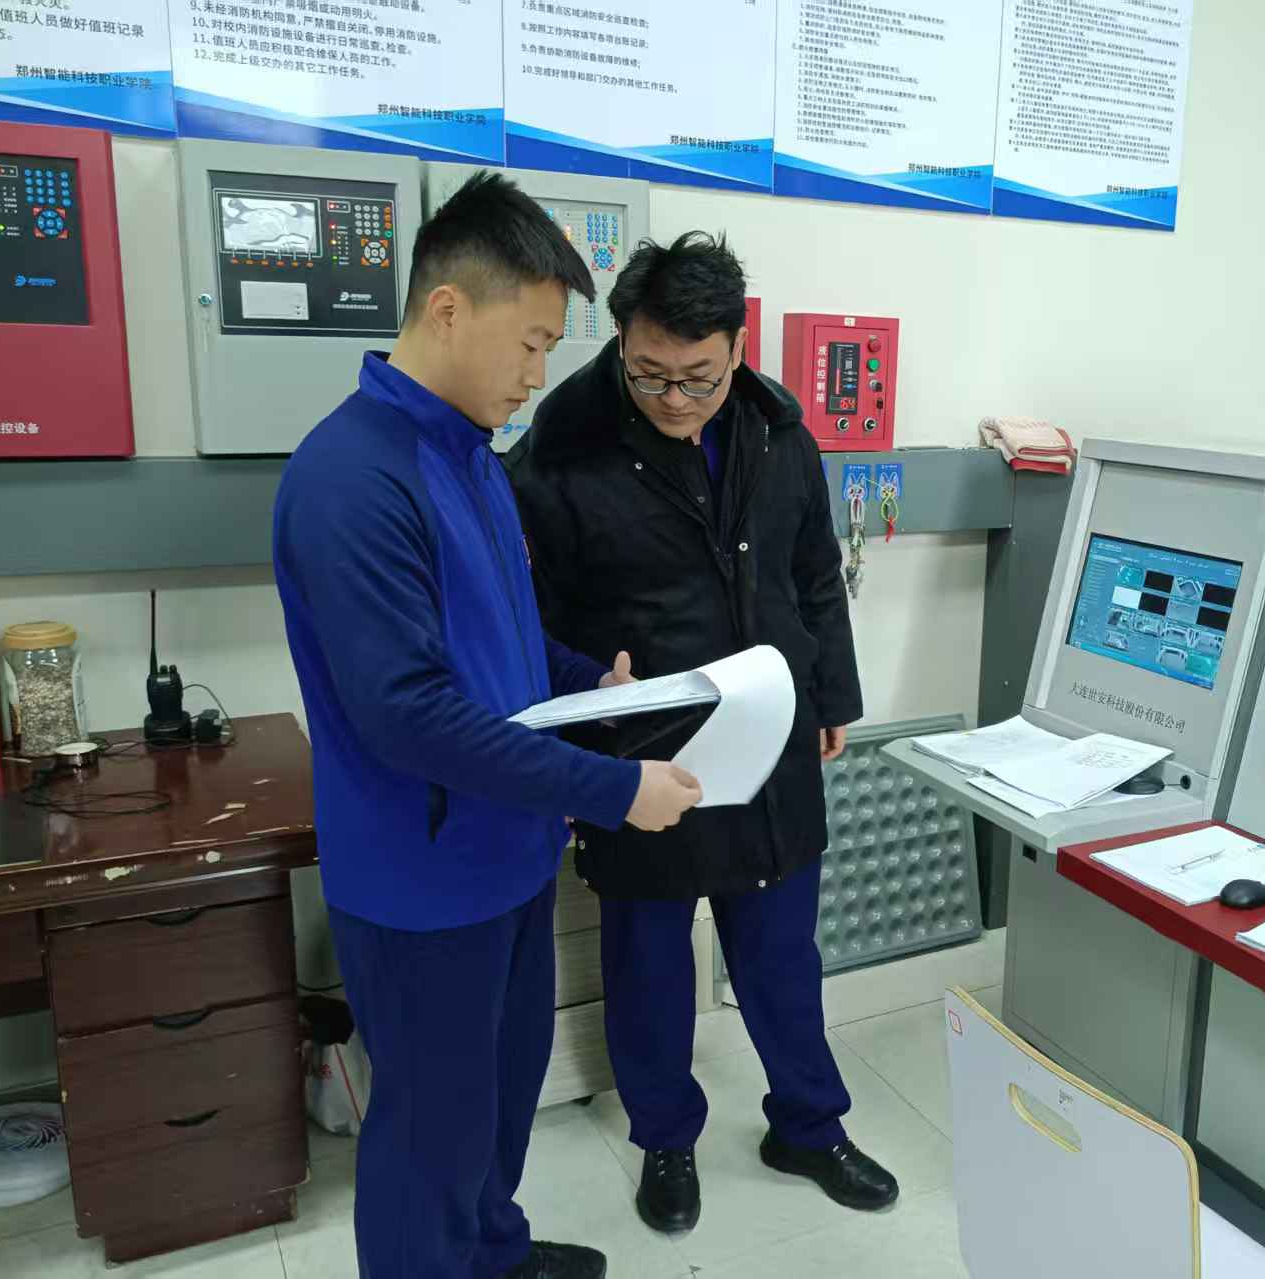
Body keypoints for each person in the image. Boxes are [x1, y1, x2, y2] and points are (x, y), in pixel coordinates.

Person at [272, 173, 702, 1279]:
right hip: (421, 883)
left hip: (507, 856)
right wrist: (616, 789)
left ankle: (493, 1256)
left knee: (498, 1108)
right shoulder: (351, 477)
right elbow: (408, 713)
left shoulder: (468, 457)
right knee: (429, 1137)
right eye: (531, 342)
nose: (536, 373)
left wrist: (595, 685)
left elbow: (500, 644)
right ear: (449, 309)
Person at [505, 231, 898, 1235]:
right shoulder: (561, 452)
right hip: (644, 753)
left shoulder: (777, 431)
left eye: (698, 377)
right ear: (619, 341)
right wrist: (582, 728)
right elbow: (526, 619)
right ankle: (665, 1138)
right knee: (647, 962)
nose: (674, 399)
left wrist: (831, 698)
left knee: (781, 954)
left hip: (770, 741)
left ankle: (807, 1124)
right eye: (649, 374)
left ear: (737, 347)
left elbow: (814, 575)